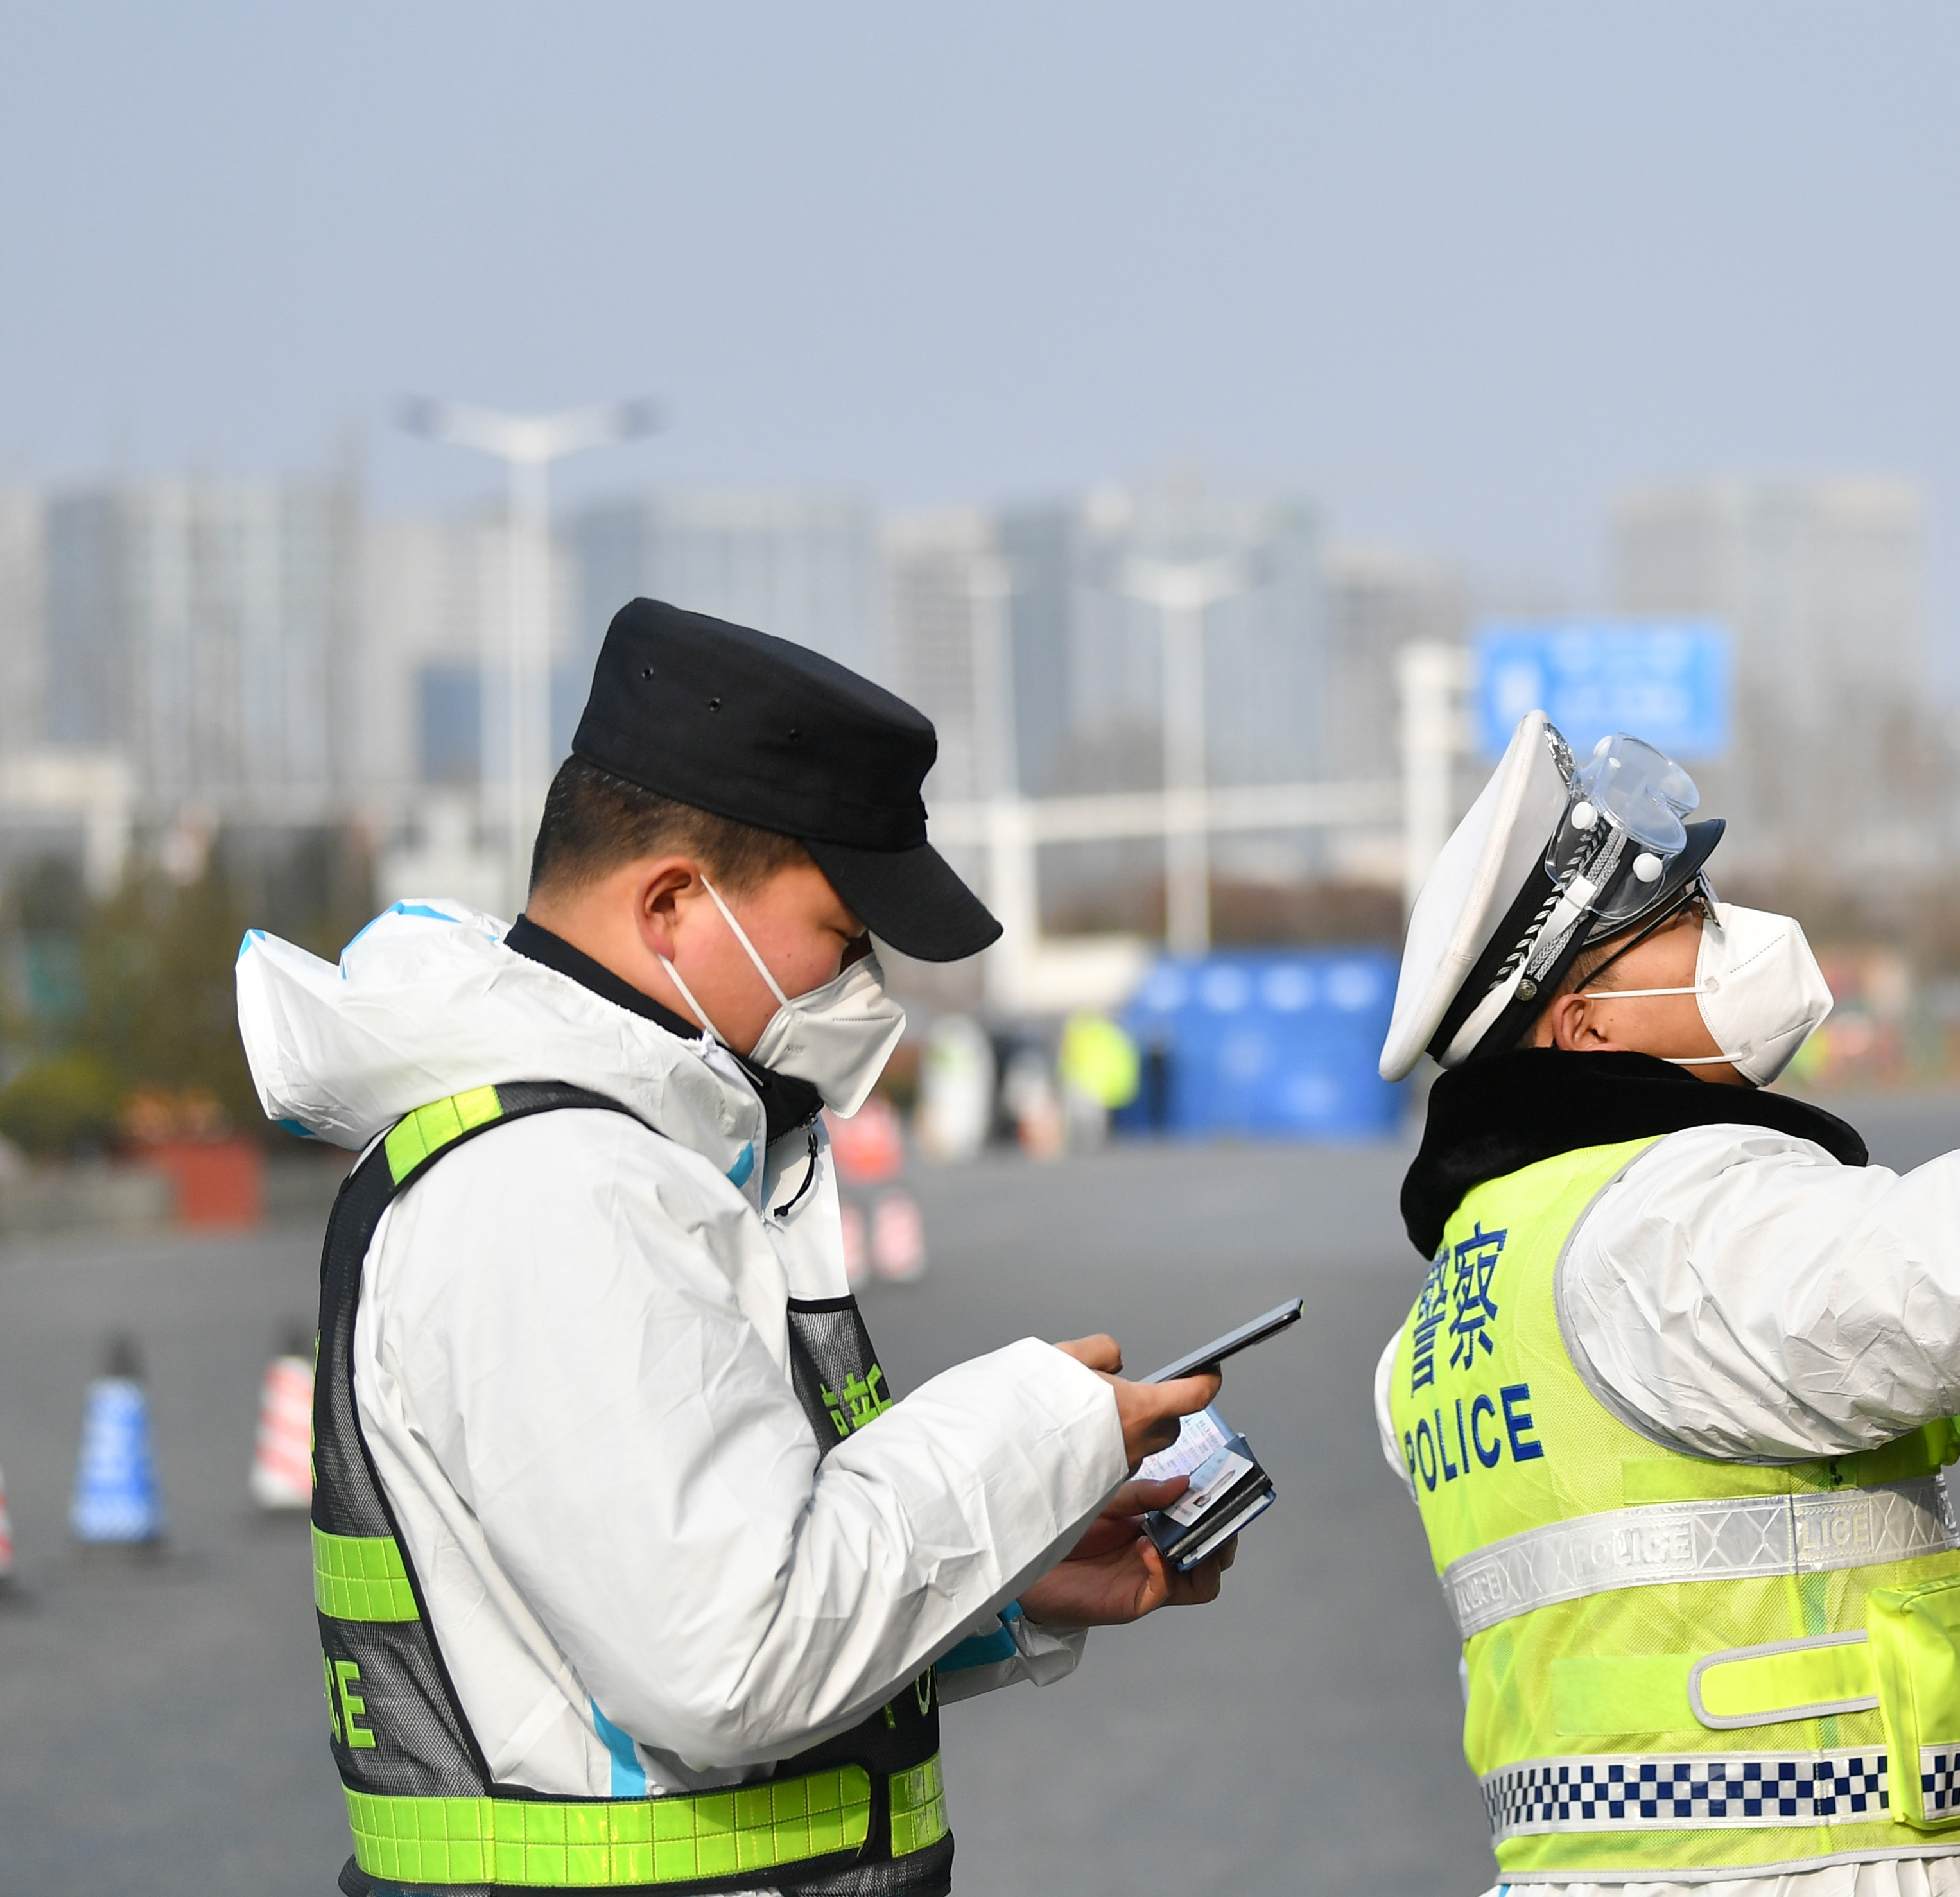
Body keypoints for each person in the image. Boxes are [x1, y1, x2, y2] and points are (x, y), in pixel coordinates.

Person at [238, 598, 1227, 1896]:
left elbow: (639, 1622)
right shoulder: (557, 1190)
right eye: (843, 938)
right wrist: (1031, 1432)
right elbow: (729, 1659)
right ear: (671, 903)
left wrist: (1008, 1576)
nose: (866, 990)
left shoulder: (614, 1161)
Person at [1371, 715, 1960, 1896]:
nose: (1728, 933)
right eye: (1682, 919)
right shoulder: (1676, 1236)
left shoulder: (1455, 1310)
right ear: (1584, 1023)